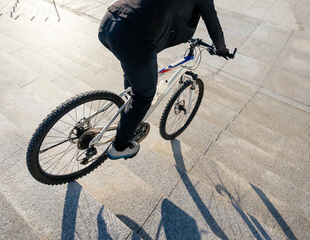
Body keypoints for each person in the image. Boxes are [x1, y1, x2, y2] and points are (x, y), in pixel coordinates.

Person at [98, 0, 232, 160]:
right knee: (143, 95)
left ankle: (130, 113)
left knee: (134, 68)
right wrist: (221, 49)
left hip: (109, 20)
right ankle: (119, 147)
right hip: (135, 33)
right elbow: (213, 24)